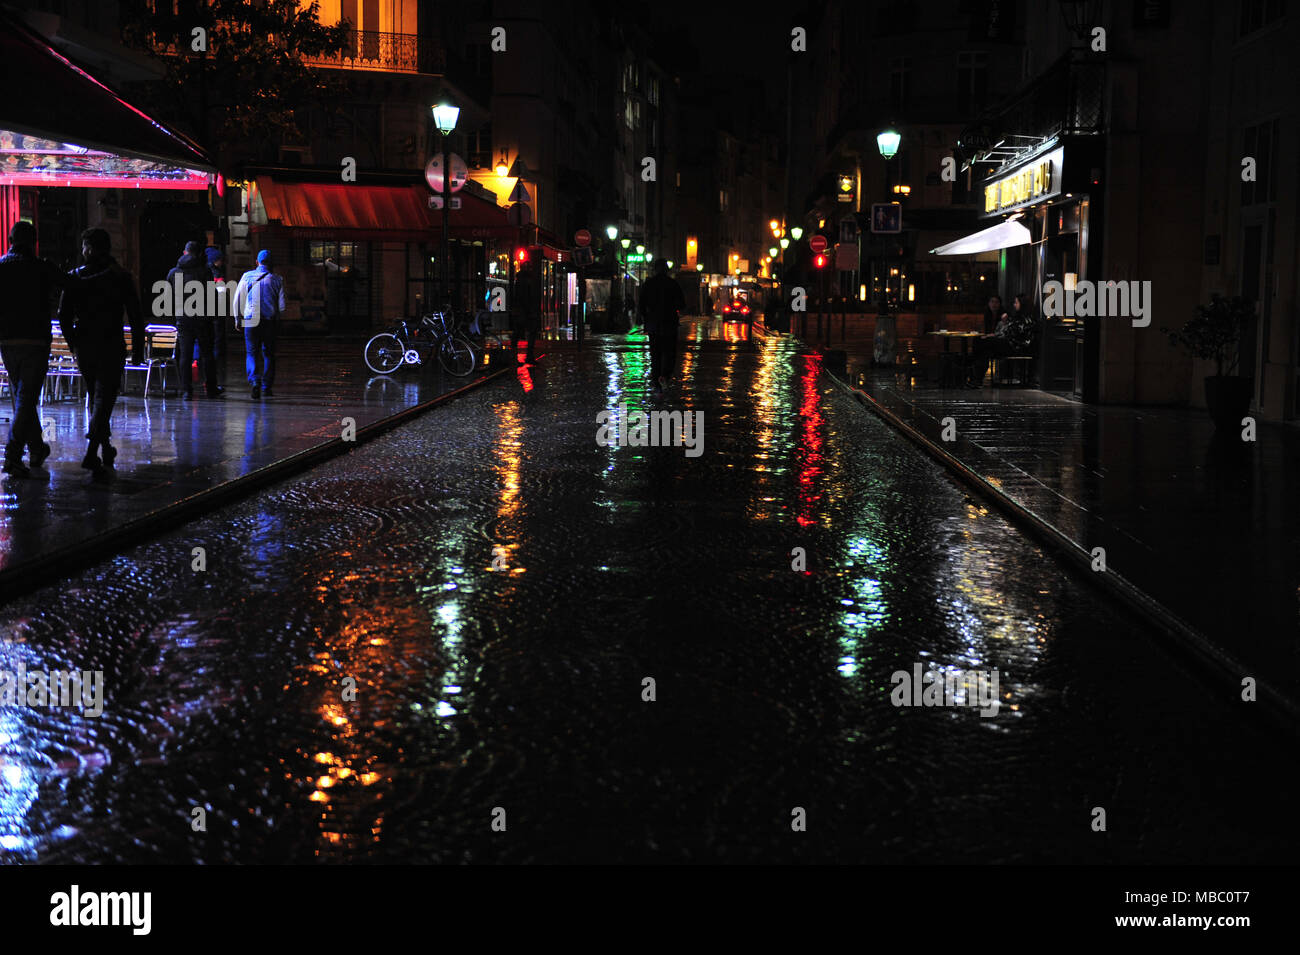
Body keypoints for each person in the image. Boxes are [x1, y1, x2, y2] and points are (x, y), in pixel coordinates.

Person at [57, 228, 144, 481]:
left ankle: (103, 449)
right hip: (111, 343)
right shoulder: (121, 277)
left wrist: (73, 343)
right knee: (104, 399)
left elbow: (63, 316)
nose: (82, 251)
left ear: (91, 248)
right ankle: (92, 451)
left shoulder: (75, 277)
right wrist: (137, 349)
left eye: (84, 246)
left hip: (85, 345)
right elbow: (136, 315)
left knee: (97, 397)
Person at [0, 220, 69, 477]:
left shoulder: (1, 266)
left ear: (10, 240)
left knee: (22, 396)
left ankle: (37, 447)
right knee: (26, 396)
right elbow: (69, 285)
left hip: (7, 340)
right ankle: (13, 455)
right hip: (36, 340)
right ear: (34, 241)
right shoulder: (42, 268)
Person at [167, 240, 220, 400]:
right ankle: (211, 388)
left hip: (183, 318)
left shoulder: (173, 273)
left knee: (185, 354)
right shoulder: (205, 271)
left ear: (184, 253)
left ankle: (186, 390)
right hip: (203, 319)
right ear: (198, 254)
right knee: (207, 354)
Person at [233, 249, 286, 399]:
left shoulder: (247, 276)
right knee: (269, 354)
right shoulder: (277, 279)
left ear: (257, 262)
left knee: (251, 353)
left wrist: (237, 318)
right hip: (269, 322)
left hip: (250, 320)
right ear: (271, 263)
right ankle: (267, 387)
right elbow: (282, 306)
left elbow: (237, 299)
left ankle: (255, 382)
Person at [967, 292, 1037, 388]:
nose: (1014, 305)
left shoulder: (1026, 318)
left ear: (1022, 304)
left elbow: (1013, 334)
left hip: (1016, 347)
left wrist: (994, 335)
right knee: (984, 348)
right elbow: (1009, 332)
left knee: (984, 343)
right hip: (1010, 344)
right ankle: (976, 378)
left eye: (1016, 303)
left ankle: (973, 374)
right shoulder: (1017, 317)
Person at [639, 258, 685, 399]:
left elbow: (641, 305)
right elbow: (681, 304)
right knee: (670, 353)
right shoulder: (673, 284)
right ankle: (665, 375)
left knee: (655, 355)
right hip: (669, 324)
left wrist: (646, 318)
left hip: (653, 325)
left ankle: (657, 385)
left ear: (654, 269)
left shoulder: (649, 284)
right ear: (666, 269)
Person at [511, 253, 541, 363]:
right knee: (527, 333)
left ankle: (514, 355)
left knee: (518, 333)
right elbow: (526, 296)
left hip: (522, 311)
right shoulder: (527, 280)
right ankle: (527, 356)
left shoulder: (520, 279)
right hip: (525, 311)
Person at [204, 245, 227, 388]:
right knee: (216, 342)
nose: (222, 262)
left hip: (203, 312)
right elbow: (221, 293)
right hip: (216, 313)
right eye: (220, 260)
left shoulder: (201, 270)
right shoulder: (216, 272)